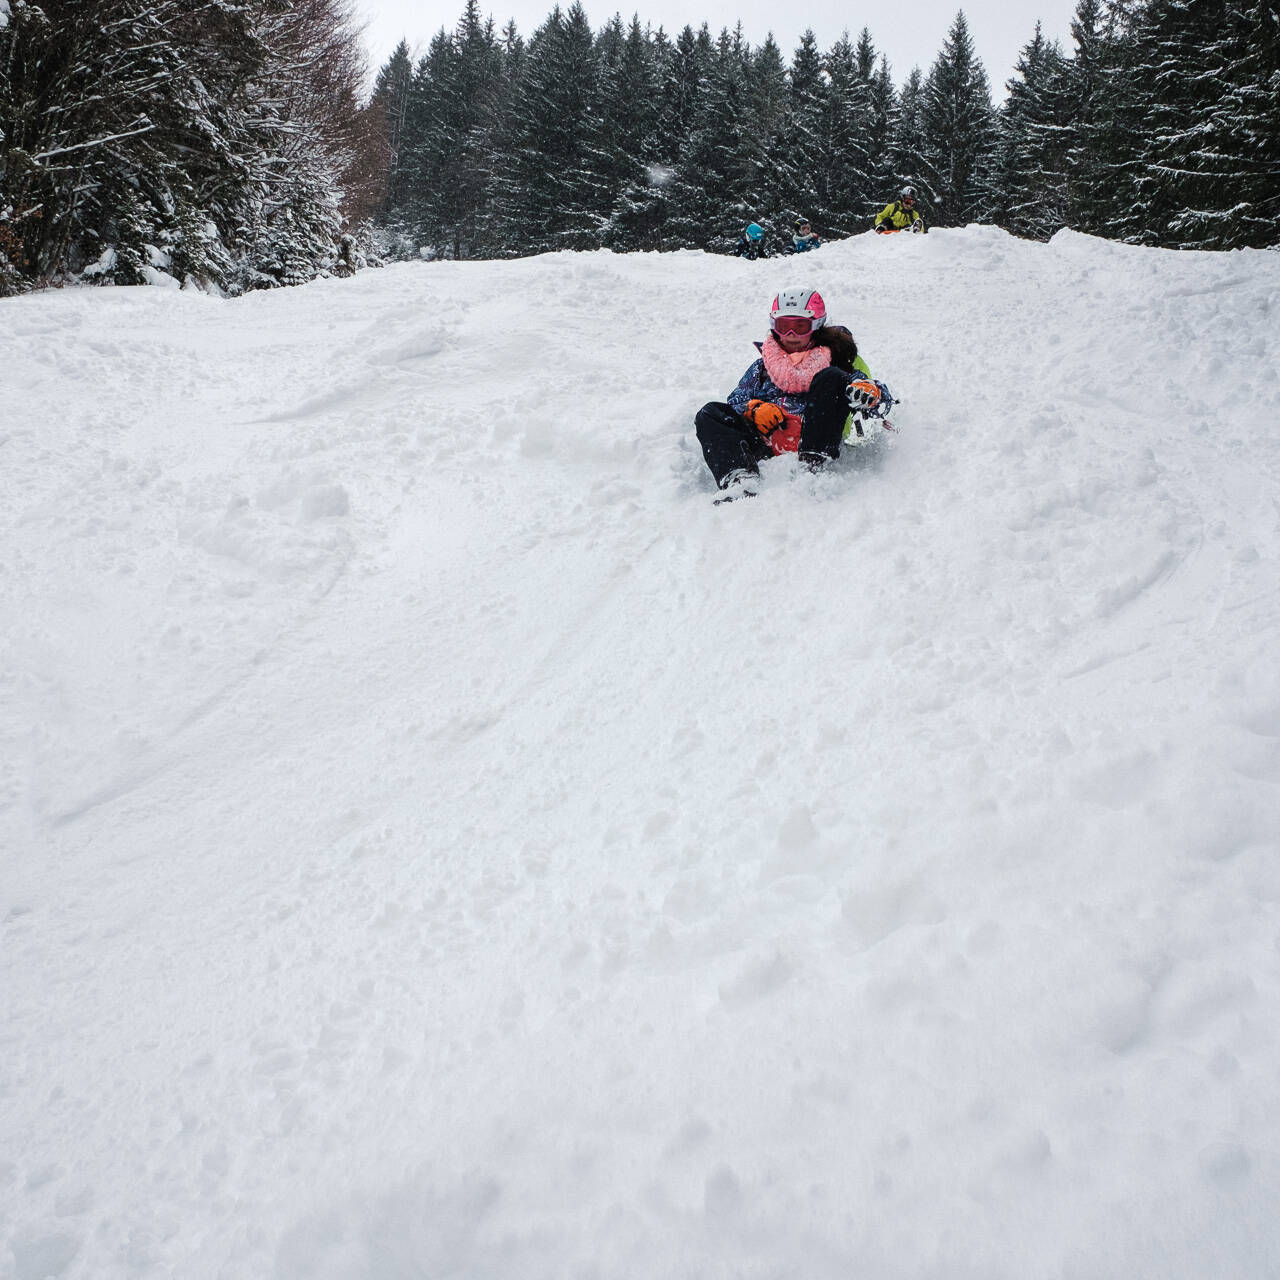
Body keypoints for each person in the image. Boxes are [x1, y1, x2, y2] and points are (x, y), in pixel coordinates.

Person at [694, 288, 895, 499]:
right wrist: (753, 408)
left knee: (831, 377)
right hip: (768, 441)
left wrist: (869, 393)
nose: (791, 335)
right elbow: (736, 400)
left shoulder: (837, 362)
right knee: (709, 413)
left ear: (816, 325)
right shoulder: (762, 367)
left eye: (800, 326)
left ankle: (813, 469)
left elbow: (878, 399)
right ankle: (740, 477)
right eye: (784, 327)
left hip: (813, 438)